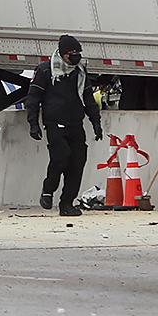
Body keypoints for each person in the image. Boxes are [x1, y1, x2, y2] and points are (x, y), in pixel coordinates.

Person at [26, 34, 103, 217]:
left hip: (75, 123)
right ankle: (48, 189)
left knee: (77, 163)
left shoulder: (80, 72)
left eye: (78, 53)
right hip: (54, 123)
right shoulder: (46, 71)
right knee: (61, 157)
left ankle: (67, 203)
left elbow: (88, 98)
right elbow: (33, 99)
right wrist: (33, 124)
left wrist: (96, 122)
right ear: (62, 54)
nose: (76, 57)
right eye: (72, 54)